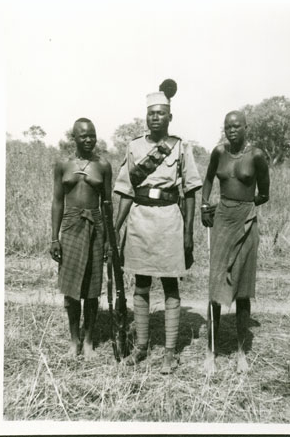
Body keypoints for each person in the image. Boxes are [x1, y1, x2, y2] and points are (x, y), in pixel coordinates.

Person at [114, 80, 202, 374]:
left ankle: (170, 353)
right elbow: (127, 191)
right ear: (146, 116)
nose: (155, 118)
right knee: (140, 284)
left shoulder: (179, 147)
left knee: (169, 285)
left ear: (169, 117)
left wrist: (189, 233)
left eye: (160, 113)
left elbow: (190, 192)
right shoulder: (134, 146)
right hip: (140, 219)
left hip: (168, 221)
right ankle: (140, 347)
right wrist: (117, 227)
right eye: (151, 113)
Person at [201, 110, 270, 374]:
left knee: (242, 288)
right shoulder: (219, 152)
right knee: (215, 286)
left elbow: (264, 193)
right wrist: (206, 205)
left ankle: (242, 353)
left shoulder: (256, 156)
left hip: (246, 221)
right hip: (221, 220)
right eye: (228, 126)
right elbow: (208, 179)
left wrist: (245, 208)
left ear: (245, 128)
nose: (231, 130)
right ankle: (211, 353)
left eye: (236, 126)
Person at [50, 118, 112, 360]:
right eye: (83, 135)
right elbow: (57, 202)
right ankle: (74, 340)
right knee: (72, 288)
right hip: (71, 225)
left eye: (92, 135)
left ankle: (88, 341)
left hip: (95, 225)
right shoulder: (62, 165)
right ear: (73, 138)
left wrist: (108, 240)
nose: (88, 139)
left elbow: (107, 205)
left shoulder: (103, 166)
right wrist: (54, 238)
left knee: (92, 289)